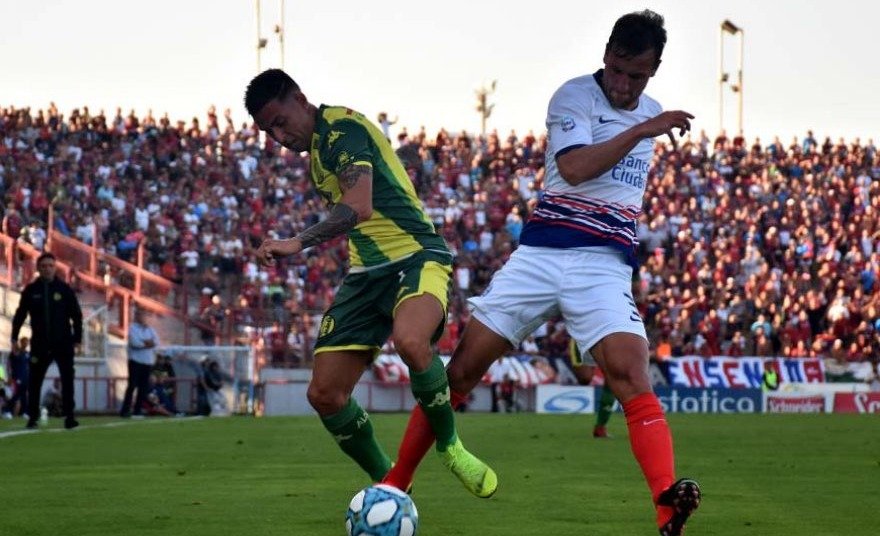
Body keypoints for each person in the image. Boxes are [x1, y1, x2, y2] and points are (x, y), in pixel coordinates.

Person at [381, 11, 700, 535]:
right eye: (616, 69)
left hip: (603, 265)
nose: (622, 84)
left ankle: (667, 506)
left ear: (654, 70)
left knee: (631, 374)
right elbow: (573, 169)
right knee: (460, 372)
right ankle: (396, 481)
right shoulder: (574, 96)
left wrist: (647, 120)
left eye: (635, 77)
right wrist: (644, 128)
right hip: (541, 256)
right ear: (606, 55)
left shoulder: (653, 111)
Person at [244, 68, 496, 497]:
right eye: (269, 131)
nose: (279, 137)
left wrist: (296, 243)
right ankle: (392, 483)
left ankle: (450, 446)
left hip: (417, 256)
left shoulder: (341, 129)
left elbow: (358, 207)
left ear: (300, 99)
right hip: (365, 275)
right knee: (324, 394)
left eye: (281, 123)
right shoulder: (318, 153)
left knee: (412, 343)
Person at [11, 252, 83, 430]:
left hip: (63, 343)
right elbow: (20, 315)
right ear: (38, 268)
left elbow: (77, 315)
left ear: (55, 267)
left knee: (67, 380)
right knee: (34, 381)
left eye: (50, 265)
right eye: (43, 266)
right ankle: (33, 416)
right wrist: (14, 337)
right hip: (40, 344)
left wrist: (77, 338)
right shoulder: (31, 290)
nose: (47, 269)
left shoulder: (64, 289)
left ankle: (69, 416)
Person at [568, 339, 617, 439]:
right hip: (583, 339)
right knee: (584, 379)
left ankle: (600, 428)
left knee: (612, 379)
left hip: (608, 339)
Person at [120, 308, 160, 418]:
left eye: (145, 316)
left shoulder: (150, 330)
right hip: (135, 361)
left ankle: (138, 410)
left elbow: (156, 342)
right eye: (142, 315)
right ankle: (125, 410)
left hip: (147, 361)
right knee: (132, 386)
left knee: (143, 387)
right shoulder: (133, 328)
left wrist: (144, 342)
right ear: (137, 316)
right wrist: (147, 343)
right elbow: (135, 343)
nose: (144, 318)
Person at [2, 337, 31, 419]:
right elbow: (9, 364)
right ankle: (6, 411)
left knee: (24, 396)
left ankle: (24, 412)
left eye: (27, 342)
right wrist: (10, 376)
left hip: (25, 378)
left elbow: (32, 362)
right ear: (21, 343)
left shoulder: (27, 353)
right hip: (17, 377)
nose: (26, 344)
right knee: (16, 395)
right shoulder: (16, 353)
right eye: (25, 342)